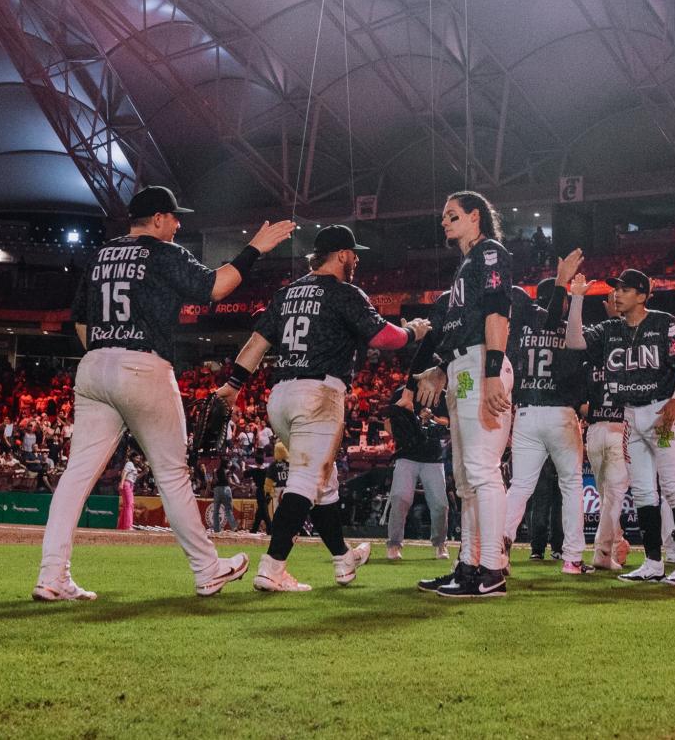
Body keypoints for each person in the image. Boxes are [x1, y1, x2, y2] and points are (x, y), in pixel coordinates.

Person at [31, 186, 294, 602]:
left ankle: (51, 576)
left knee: (76, 475)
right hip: (142, 365)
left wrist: (109, 356)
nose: (178, 223)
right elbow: (215, 287)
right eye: (173, 217)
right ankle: (208, 570)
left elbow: (80, 322)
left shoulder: (102, 254)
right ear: (156, 219)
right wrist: (255, 248)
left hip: (95, 364)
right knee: (172, 474)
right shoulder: (163, 252)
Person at [214, 223, 431, 593]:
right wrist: (413, 331)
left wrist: (234, 384)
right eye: (354, 254)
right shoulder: (344, 292)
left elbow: (257, 342)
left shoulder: (286, 293)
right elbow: (383, 337)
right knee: (305, 482)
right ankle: (272, 568)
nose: (357, 260)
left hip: (280, 397)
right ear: (343, 254)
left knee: (324, 485)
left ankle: (344, 561)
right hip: (319, 394)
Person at [411, 191, 522, 599]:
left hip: (481, 366)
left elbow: (497, 313)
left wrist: (493, 372)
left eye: (452, 214)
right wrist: (441, 370)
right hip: (465, 366)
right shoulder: (468, 264)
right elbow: (468, 324)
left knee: (481, 470)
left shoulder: (490, 252)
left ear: (476, 217)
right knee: (467, 478)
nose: (444, 221)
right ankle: (471, 566)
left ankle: (491, 569)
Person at [564, 268, 675, 585]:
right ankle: (653, 562)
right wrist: (576, 298)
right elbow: (574, 341)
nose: (617, 294)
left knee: (674, 486)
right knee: (642, 491)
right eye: (616, 289)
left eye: (625, 289)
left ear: (642, 295)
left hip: (661, 411)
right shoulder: (611, 328)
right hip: (629, 415)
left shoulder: (662, 322)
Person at [500, 247, 588, 574]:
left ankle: (501, 543)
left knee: (520, 486)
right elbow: (559, 325)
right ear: (561, 299)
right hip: (560, 413)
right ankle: (573, 558)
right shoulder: (568, 326)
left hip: (525, 414)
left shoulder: (516, 330)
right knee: (571, 484)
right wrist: (566, 286)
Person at [578, 280, 633, 572]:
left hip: (608, 428)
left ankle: (608, 547)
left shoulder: (595, 364)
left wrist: (613, 319)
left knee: (610, 495)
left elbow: (580, 403)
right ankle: (611, 546)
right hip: (609, 427)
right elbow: (580, 402)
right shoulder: (616, 355)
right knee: (610, 495)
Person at [384, 381, 450, 559]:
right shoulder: (402, 392)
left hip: (432, 457)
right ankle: (394, 544)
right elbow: (388, 423)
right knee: (399, 498)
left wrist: (432, 418)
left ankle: (440, 543)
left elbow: (447, 422)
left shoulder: (440, 393)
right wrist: (405, 431)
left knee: (440, 504)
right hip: (406, 454)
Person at [118, 450, 138, 533]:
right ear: (133, 457)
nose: (138, 459)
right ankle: (128, 526)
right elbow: (124, 473)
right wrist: (121, 483)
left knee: (127, 505)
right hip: (127, 484)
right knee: (130, 505)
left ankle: (122, 526)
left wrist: (144, 473)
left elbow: (133, 478)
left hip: (130, 485)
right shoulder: (129, 464)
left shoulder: (133, 465)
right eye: (137, 457)